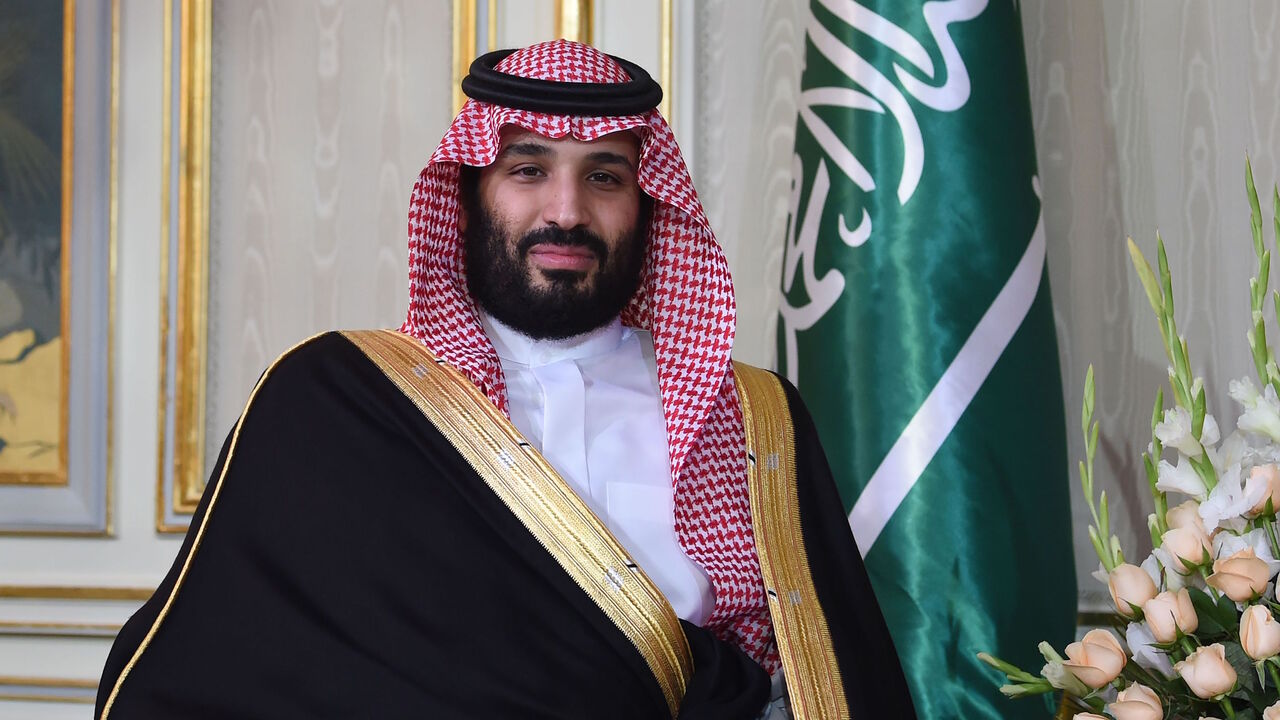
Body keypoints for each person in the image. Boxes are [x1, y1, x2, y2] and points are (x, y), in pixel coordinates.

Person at [95, 40, 915, 719]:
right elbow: (217, 673)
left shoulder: (749, 417)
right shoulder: (336, 403)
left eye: (605, 176)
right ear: (468, 193)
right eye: (528, 170)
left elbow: (825, 676)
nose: (566, 211)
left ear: (648, 205)